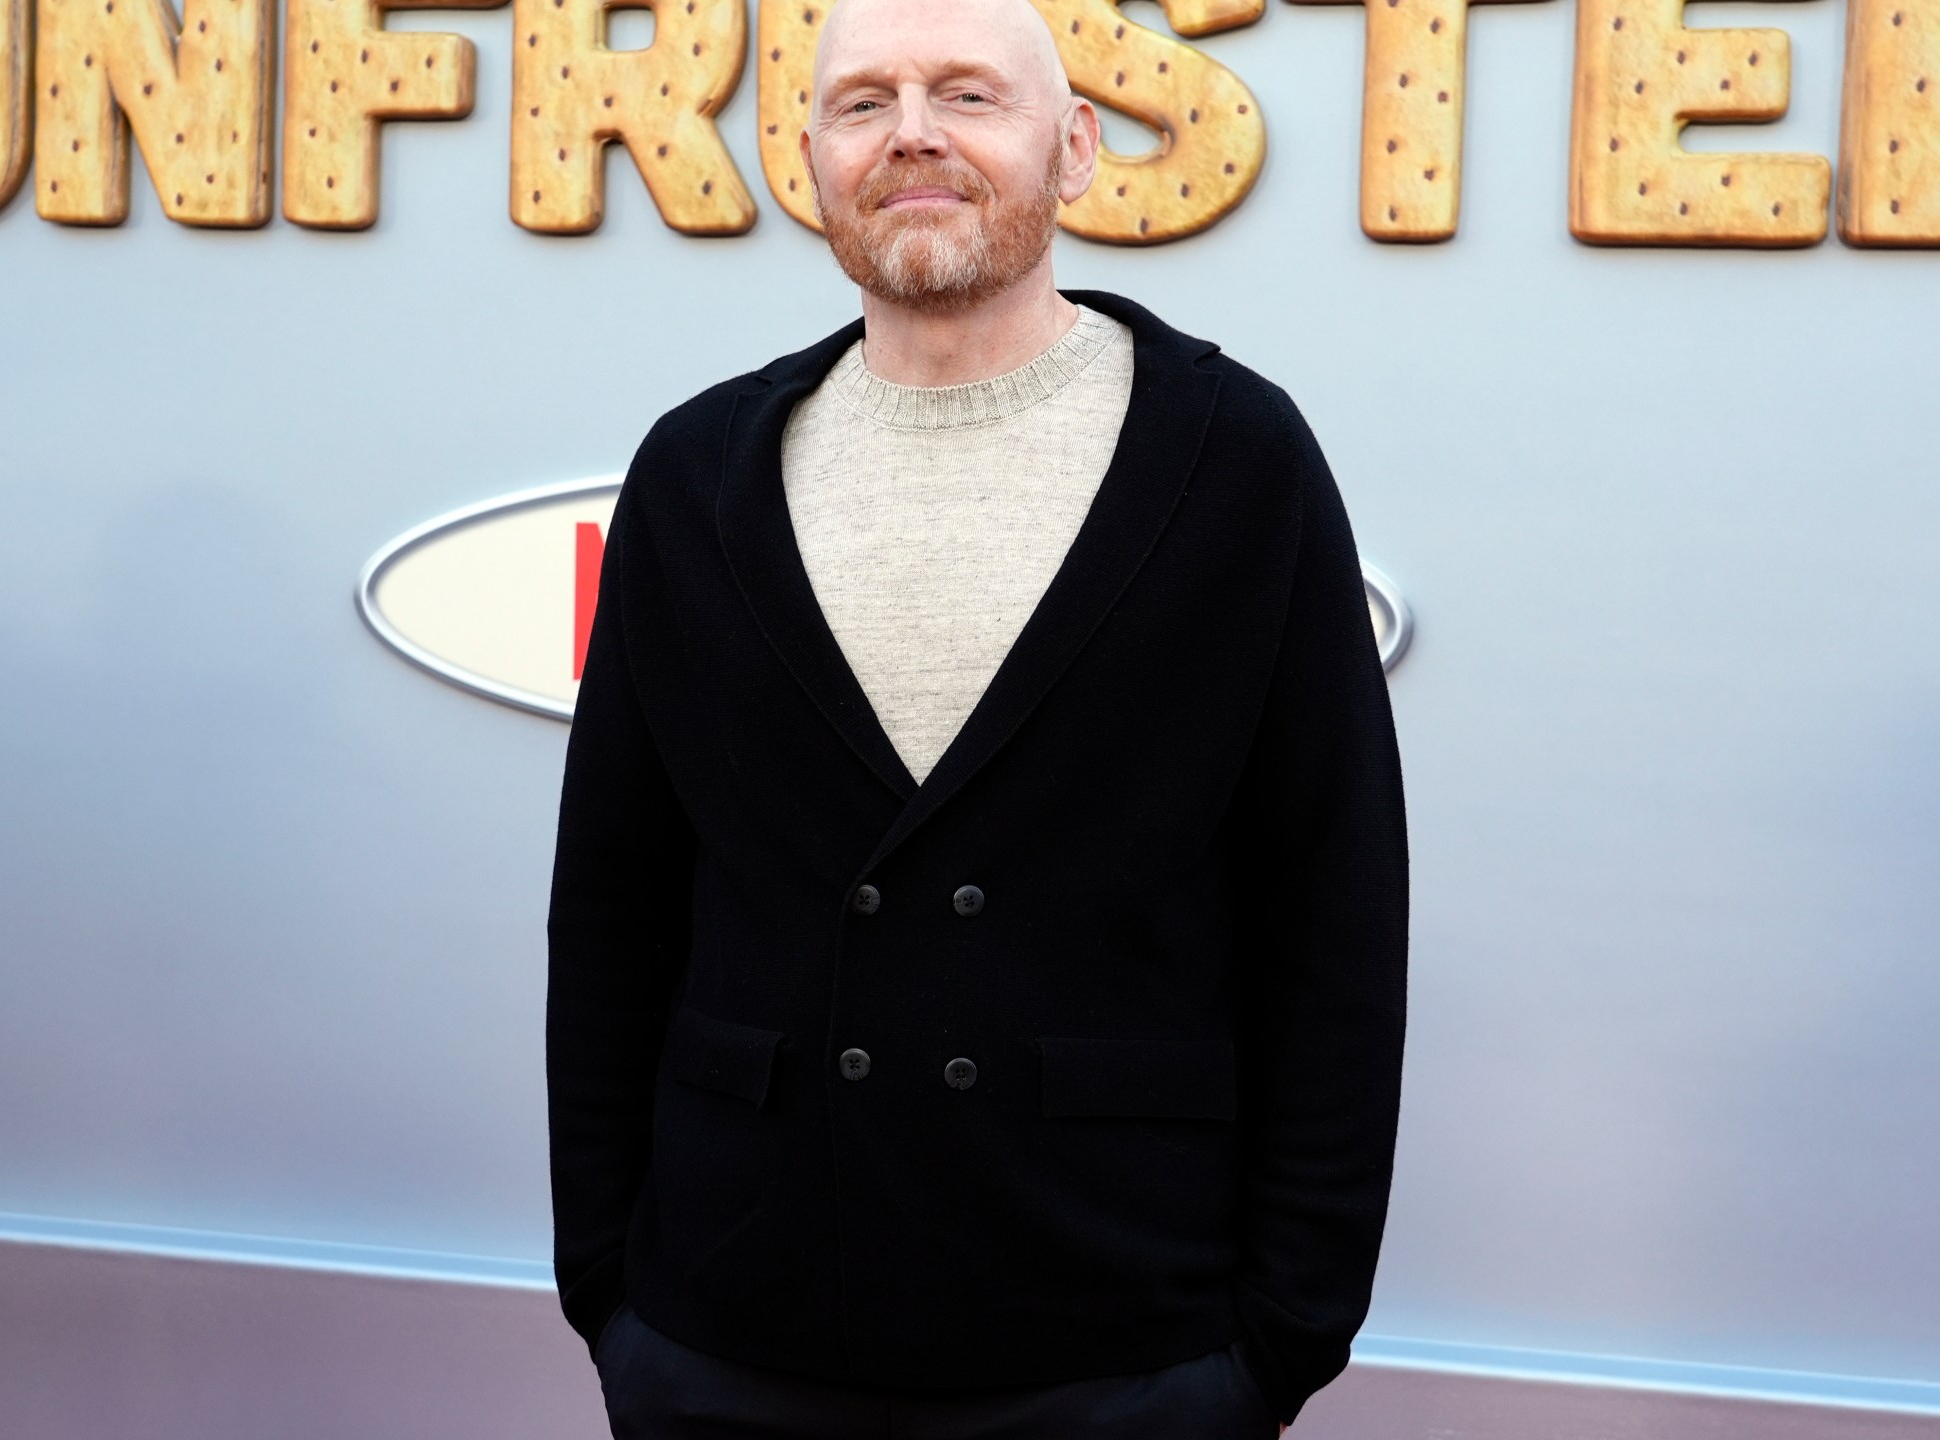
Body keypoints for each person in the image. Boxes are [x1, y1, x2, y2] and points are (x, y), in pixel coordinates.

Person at [546, 0, 1408, 1432]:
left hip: (1122, 1346)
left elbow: (1332, 916)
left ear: (1075, 148)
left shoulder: (1239, 463)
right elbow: (614, 906)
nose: (915, 135)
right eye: (863, 102)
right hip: (725, 1339)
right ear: (809, 153)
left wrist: (1279, 1341)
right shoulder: (696, 473)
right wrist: (608, 1296)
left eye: (967, 95)